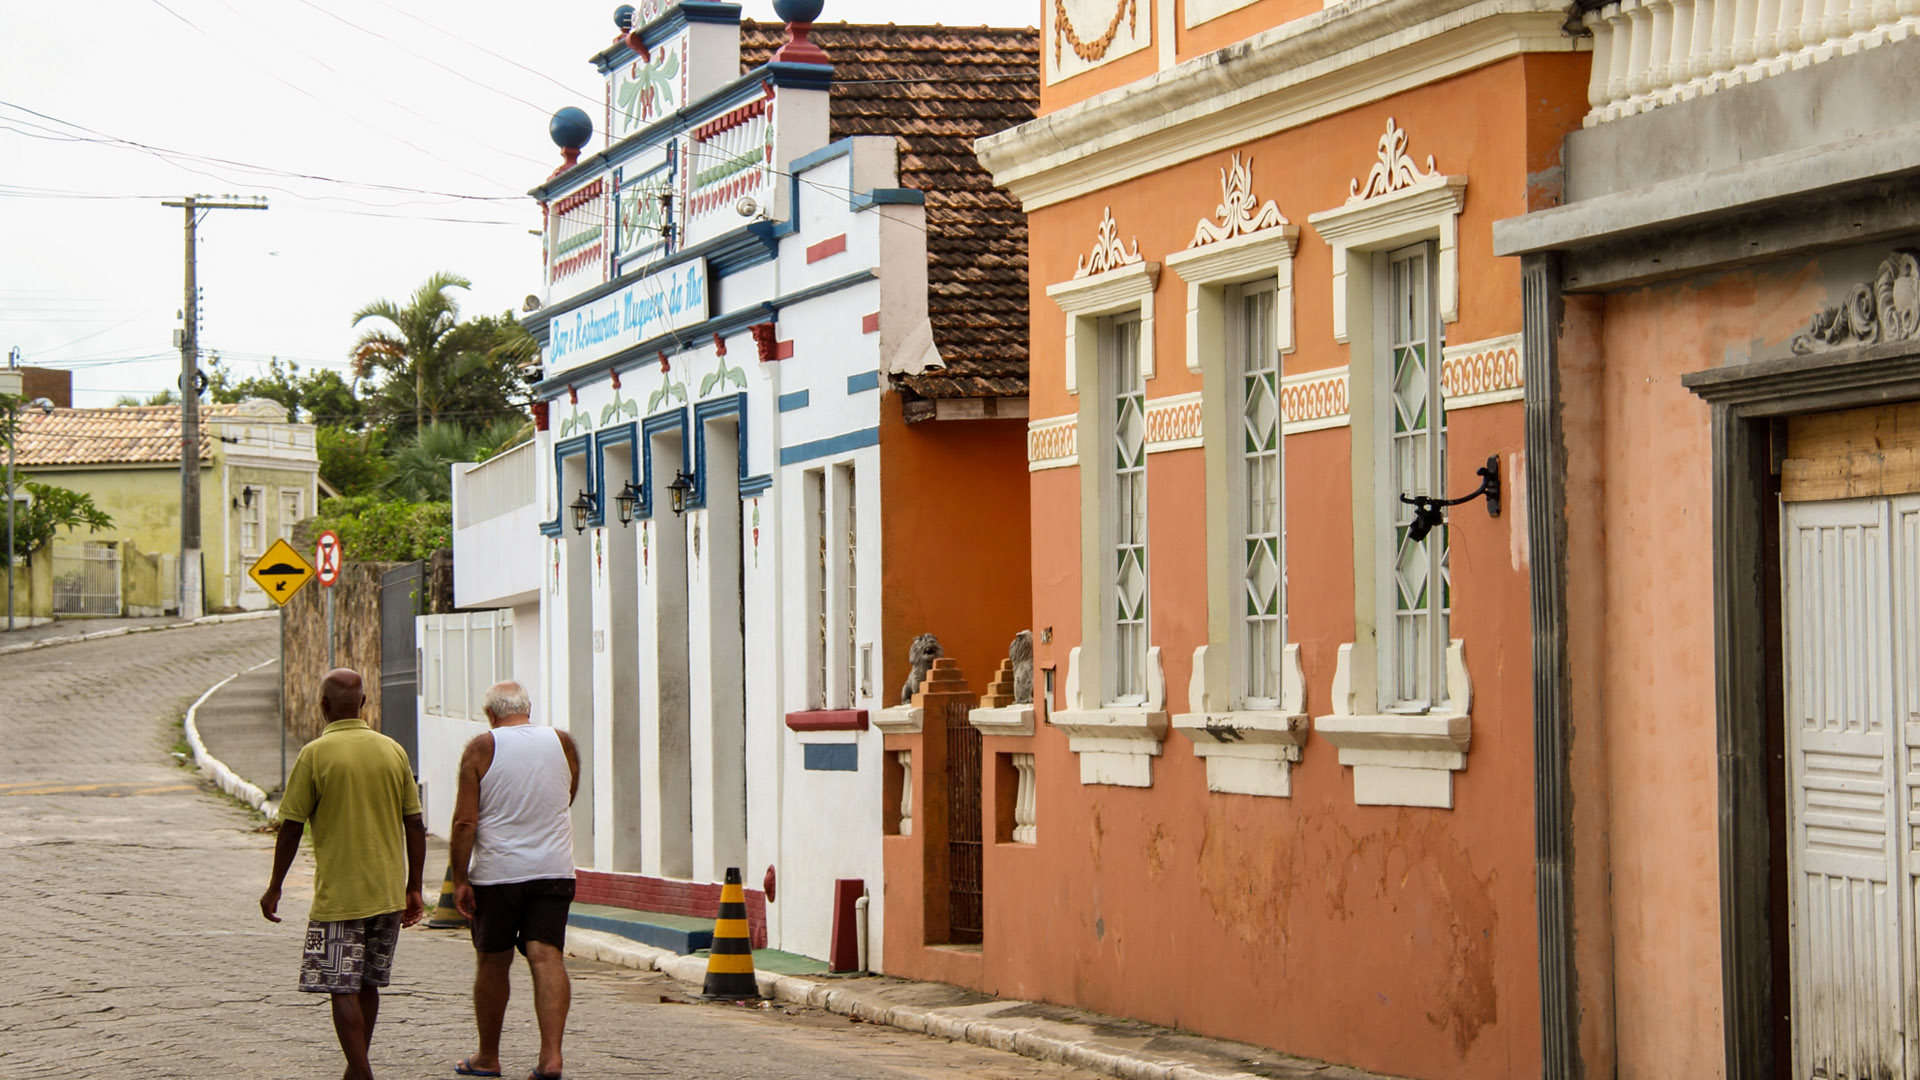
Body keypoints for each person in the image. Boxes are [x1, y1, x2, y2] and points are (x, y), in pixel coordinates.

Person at [260, 668, 426, 1080]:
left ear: (324, 705)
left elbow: (292, 826)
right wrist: (414, 887)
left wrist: (275, 886)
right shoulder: (393, 751)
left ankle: (362, 1073)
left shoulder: (315, 755)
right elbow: (414, 823)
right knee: (368, 983)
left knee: (341, 986)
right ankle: (357, 1071)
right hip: (388, 893)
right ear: (364, 704)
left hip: (340, 897)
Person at [450, 680, 580, 1080]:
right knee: (548, 956)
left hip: (499, 873)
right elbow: (566, 794)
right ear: (528, 708)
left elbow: (465, 821)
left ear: (490, 714)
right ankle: (551, 1058)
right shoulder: (562, 742)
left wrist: (460, 879)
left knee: (493, 960)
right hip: (554, 869)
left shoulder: (481, 747)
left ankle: (488, 1057)